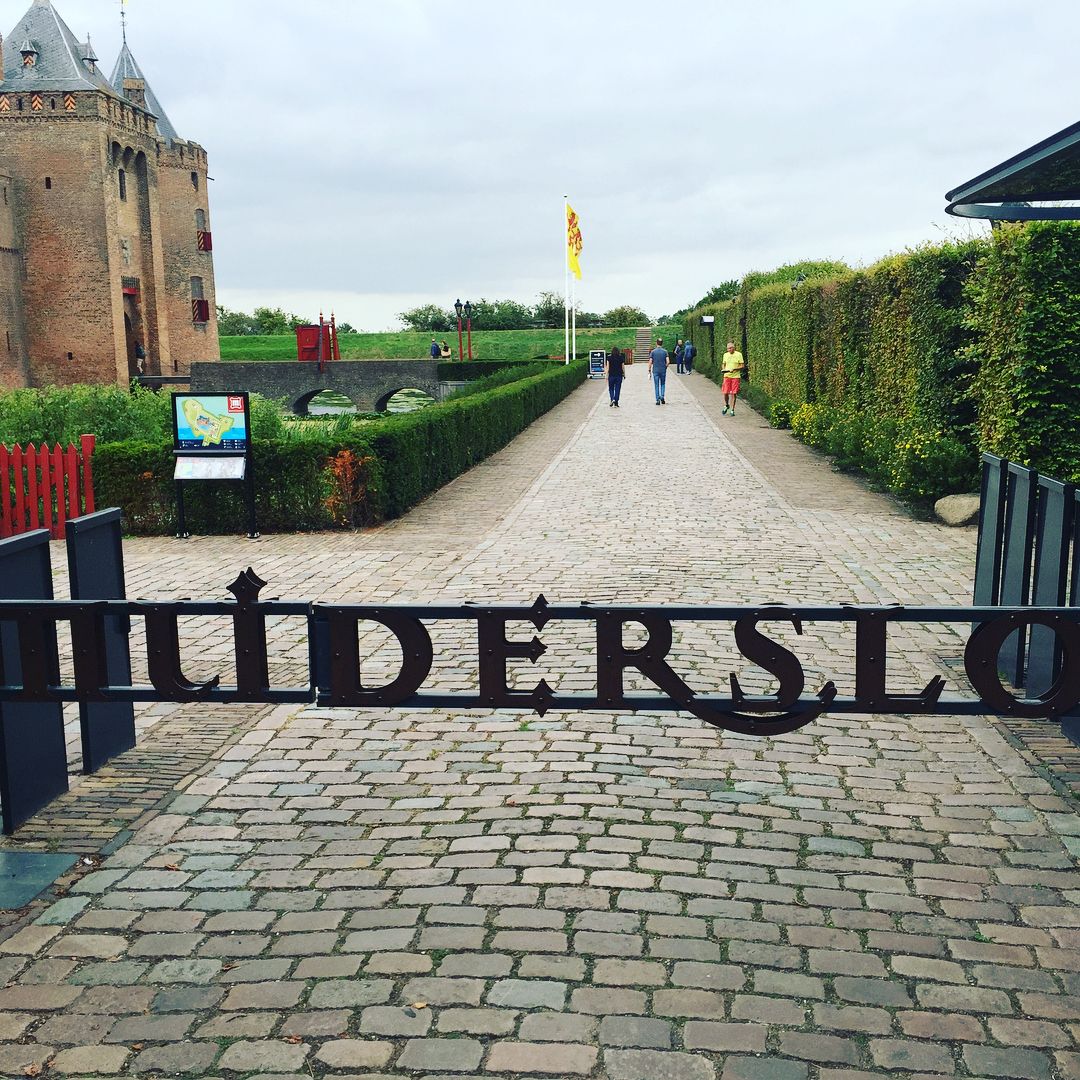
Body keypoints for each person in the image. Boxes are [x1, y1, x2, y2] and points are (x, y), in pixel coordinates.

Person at [721, 341, 745, 414]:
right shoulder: (725, 355)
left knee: (734, 393)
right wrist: (723, 369)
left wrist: (735, 369)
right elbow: (723, 363)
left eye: (730, 348)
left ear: (733, 348)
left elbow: (742, 365)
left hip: (735, 376)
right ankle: (726, 405)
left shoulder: (739, 354)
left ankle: (732, 410)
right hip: (727, 376)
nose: (729, 350)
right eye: (728, 348)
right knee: (725, 392)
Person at [648, 337, 669, 405]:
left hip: (655, 371)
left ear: (656, 343)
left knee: (656, 385)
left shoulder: (653, 352)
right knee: (662, 384)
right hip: (663, 370)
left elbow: (650, 362)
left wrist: (649, 370)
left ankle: (657, 399)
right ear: (662, 343)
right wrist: (665, 367)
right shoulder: (665, 351)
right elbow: (668, 361)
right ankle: (662, 396)